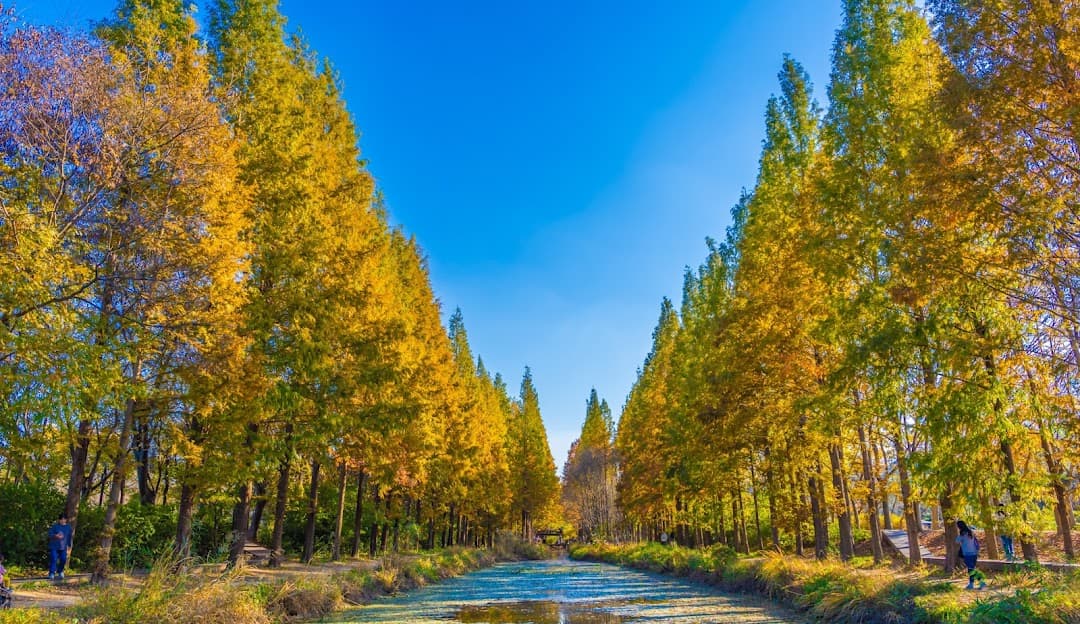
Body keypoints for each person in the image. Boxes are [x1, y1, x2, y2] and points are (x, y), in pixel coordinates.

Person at [955, 520, 985, 590]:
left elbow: (956, 541)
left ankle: (981, 582)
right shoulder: (971, 532)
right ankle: (971, 584)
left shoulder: (962, 535)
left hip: (967, 554)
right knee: (971, 569)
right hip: (974, 553)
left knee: (971, 570)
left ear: (959, 527)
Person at [47, 513, 72, 580]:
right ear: (59, 520)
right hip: (54, 546)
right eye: (61, 519)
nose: (63, 520)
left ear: (66, 520)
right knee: (54, 559)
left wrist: (69, 545)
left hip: (63, 547)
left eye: (64, 519)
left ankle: (60, 571)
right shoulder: (55, 526)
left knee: (63, 559)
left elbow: (69, 537)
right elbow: (50, 534)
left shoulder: (68, 527)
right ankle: (51, 573)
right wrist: (55, 536)